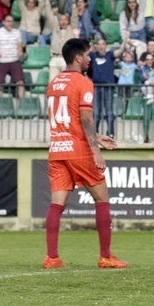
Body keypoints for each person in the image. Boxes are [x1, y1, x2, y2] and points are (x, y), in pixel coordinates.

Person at [44, 38, 128, 270]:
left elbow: (68, 120)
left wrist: (97, 136)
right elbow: (85, 118)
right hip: (79, 151)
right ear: (78, 57)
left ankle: (52, 257)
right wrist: (96, 150)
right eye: (87, 55)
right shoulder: (83, 82)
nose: (90, 59)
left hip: (57, 149)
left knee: (56, 204)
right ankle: (105, 257)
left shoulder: (53, 83)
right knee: (102, 200)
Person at [89, 37, 126, 138]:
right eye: (99, 44)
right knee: (96, 113)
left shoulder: (110, 55)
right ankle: (94, 134)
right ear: (97, 46)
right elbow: (83, 50)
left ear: (106, 46)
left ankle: (110, 133)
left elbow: (121, 50)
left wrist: (125, 39)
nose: (101, 46)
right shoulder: (93, 55)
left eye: (103, 44)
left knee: (109, 112)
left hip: (108, 87)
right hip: (96, 87)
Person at [0, 14, 25, 98]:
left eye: (12, 21)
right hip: (1, 61)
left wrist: (19, 51)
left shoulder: (17, 32)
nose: (10, 23)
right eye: (8, 21)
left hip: (14, 60)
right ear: (3, 22)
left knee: (20, 83)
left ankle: (22, 106)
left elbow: (19, 45)